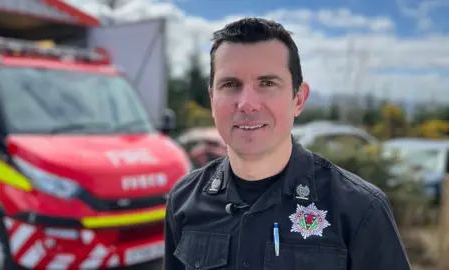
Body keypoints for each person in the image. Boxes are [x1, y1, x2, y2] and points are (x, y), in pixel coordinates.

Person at [164, 17, 411, 270]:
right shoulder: (184, 201)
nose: (247, 103)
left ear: (299, 99)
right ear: (212, 99)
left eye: (268, 83)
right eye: (230, 84)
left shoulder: (360, 210)